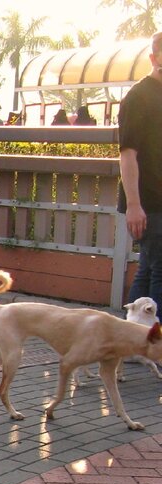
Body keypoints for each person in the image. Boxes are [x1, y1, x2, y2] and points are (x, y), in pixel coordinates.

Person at [119, 31, 162, 303]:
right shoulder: (139, 97)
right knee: (158, 273)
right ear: (153, 58)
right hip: (149, 201)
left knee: (148, 270)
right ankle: (153, 342)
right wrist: (134, 205)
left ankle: (136, 339)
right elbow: (127, 154)